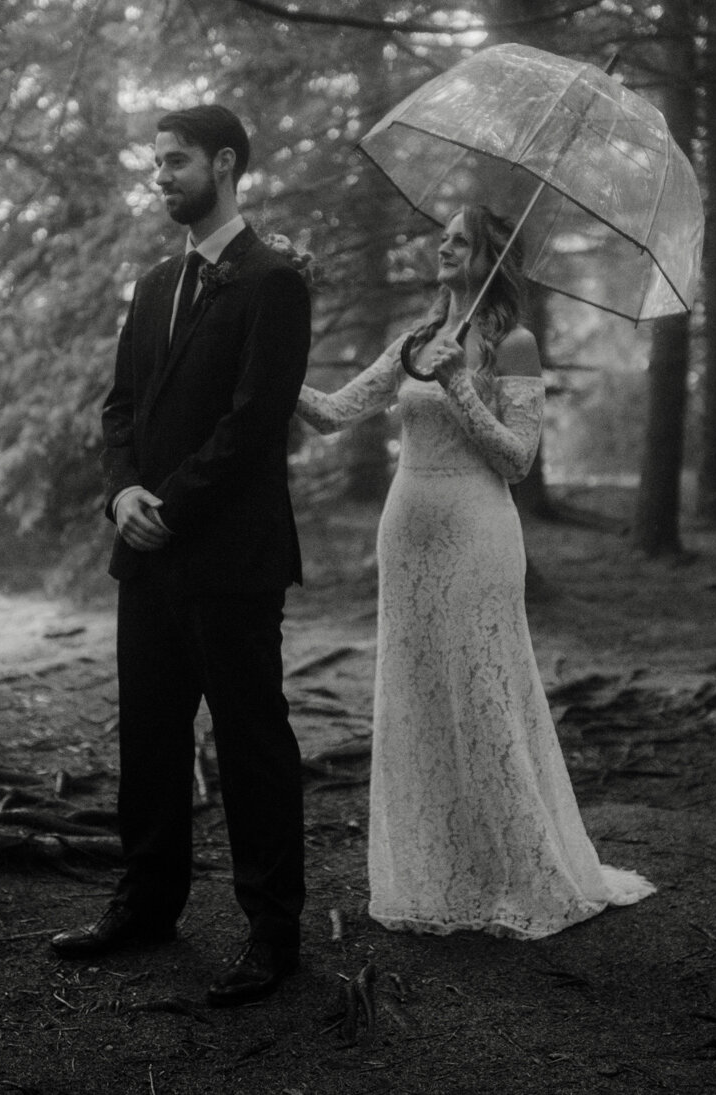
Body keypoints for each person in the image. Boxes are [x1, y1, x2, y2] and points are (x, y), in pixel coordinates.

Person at [294, 204, 656, 938]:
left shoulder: (513, 344)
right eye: (442, 235)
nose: (443, 243)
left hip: (478, 535)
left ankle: (519, 870)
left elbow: (518, 458)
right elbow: (333, 412)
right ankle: (439, 868)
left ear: (492, 252)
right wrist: (270, 369)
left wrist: (462, 384)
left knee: (482, 689)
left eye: (460, 236)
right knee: (419, 692)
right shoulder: (415, 341)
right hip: (407, 540)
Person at [52, 105, 311, 1007]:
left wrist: (172, 505)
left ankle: (274, 933)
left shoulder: (276, 282)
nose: (160, 176)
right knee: (151, 741)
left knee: (251, 746)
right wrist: (124, 494)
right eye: (155, 162)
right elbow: (121, 405)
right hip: (148, 554)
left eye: (176, 161)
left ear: (226, 164)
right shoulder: (156, 282)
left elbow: (254, 421)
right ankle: (148, 903)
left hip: (233, 560)